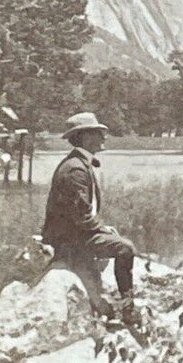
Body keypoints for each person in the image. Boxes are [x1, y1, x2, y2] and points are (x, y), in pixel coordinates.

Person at [40, 111, 139, 324]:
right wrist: (102, 229)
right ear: (85, 137)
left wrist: (102, 228)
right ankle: (128, 307)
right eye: (98, 133)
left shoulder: (78, 163)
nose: (104, 137)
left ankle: (117, 308)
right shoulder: (75, 169)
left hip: (75, 235)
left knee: (118, 244)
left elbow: (82, 214)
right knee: (125, 248)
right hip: (70, 240)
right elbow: (81, 216)